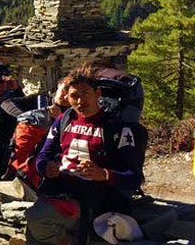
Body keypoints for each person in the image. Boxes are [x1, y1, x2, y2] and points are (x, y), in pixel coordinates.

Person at [26, 65, 148, 245]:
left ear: (98, 93)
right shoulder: (64, 120)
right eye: (75, 96)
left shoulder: (116, 127)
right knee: (34, 232)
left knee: (38, 217)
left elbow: (134, 178)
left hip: (94, 201)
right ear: (67, 97)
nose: (80, 101)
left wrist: (104, 175)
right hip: (61, 191)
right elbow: (44, 155)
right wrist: (46, 167)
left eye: (86, 94)